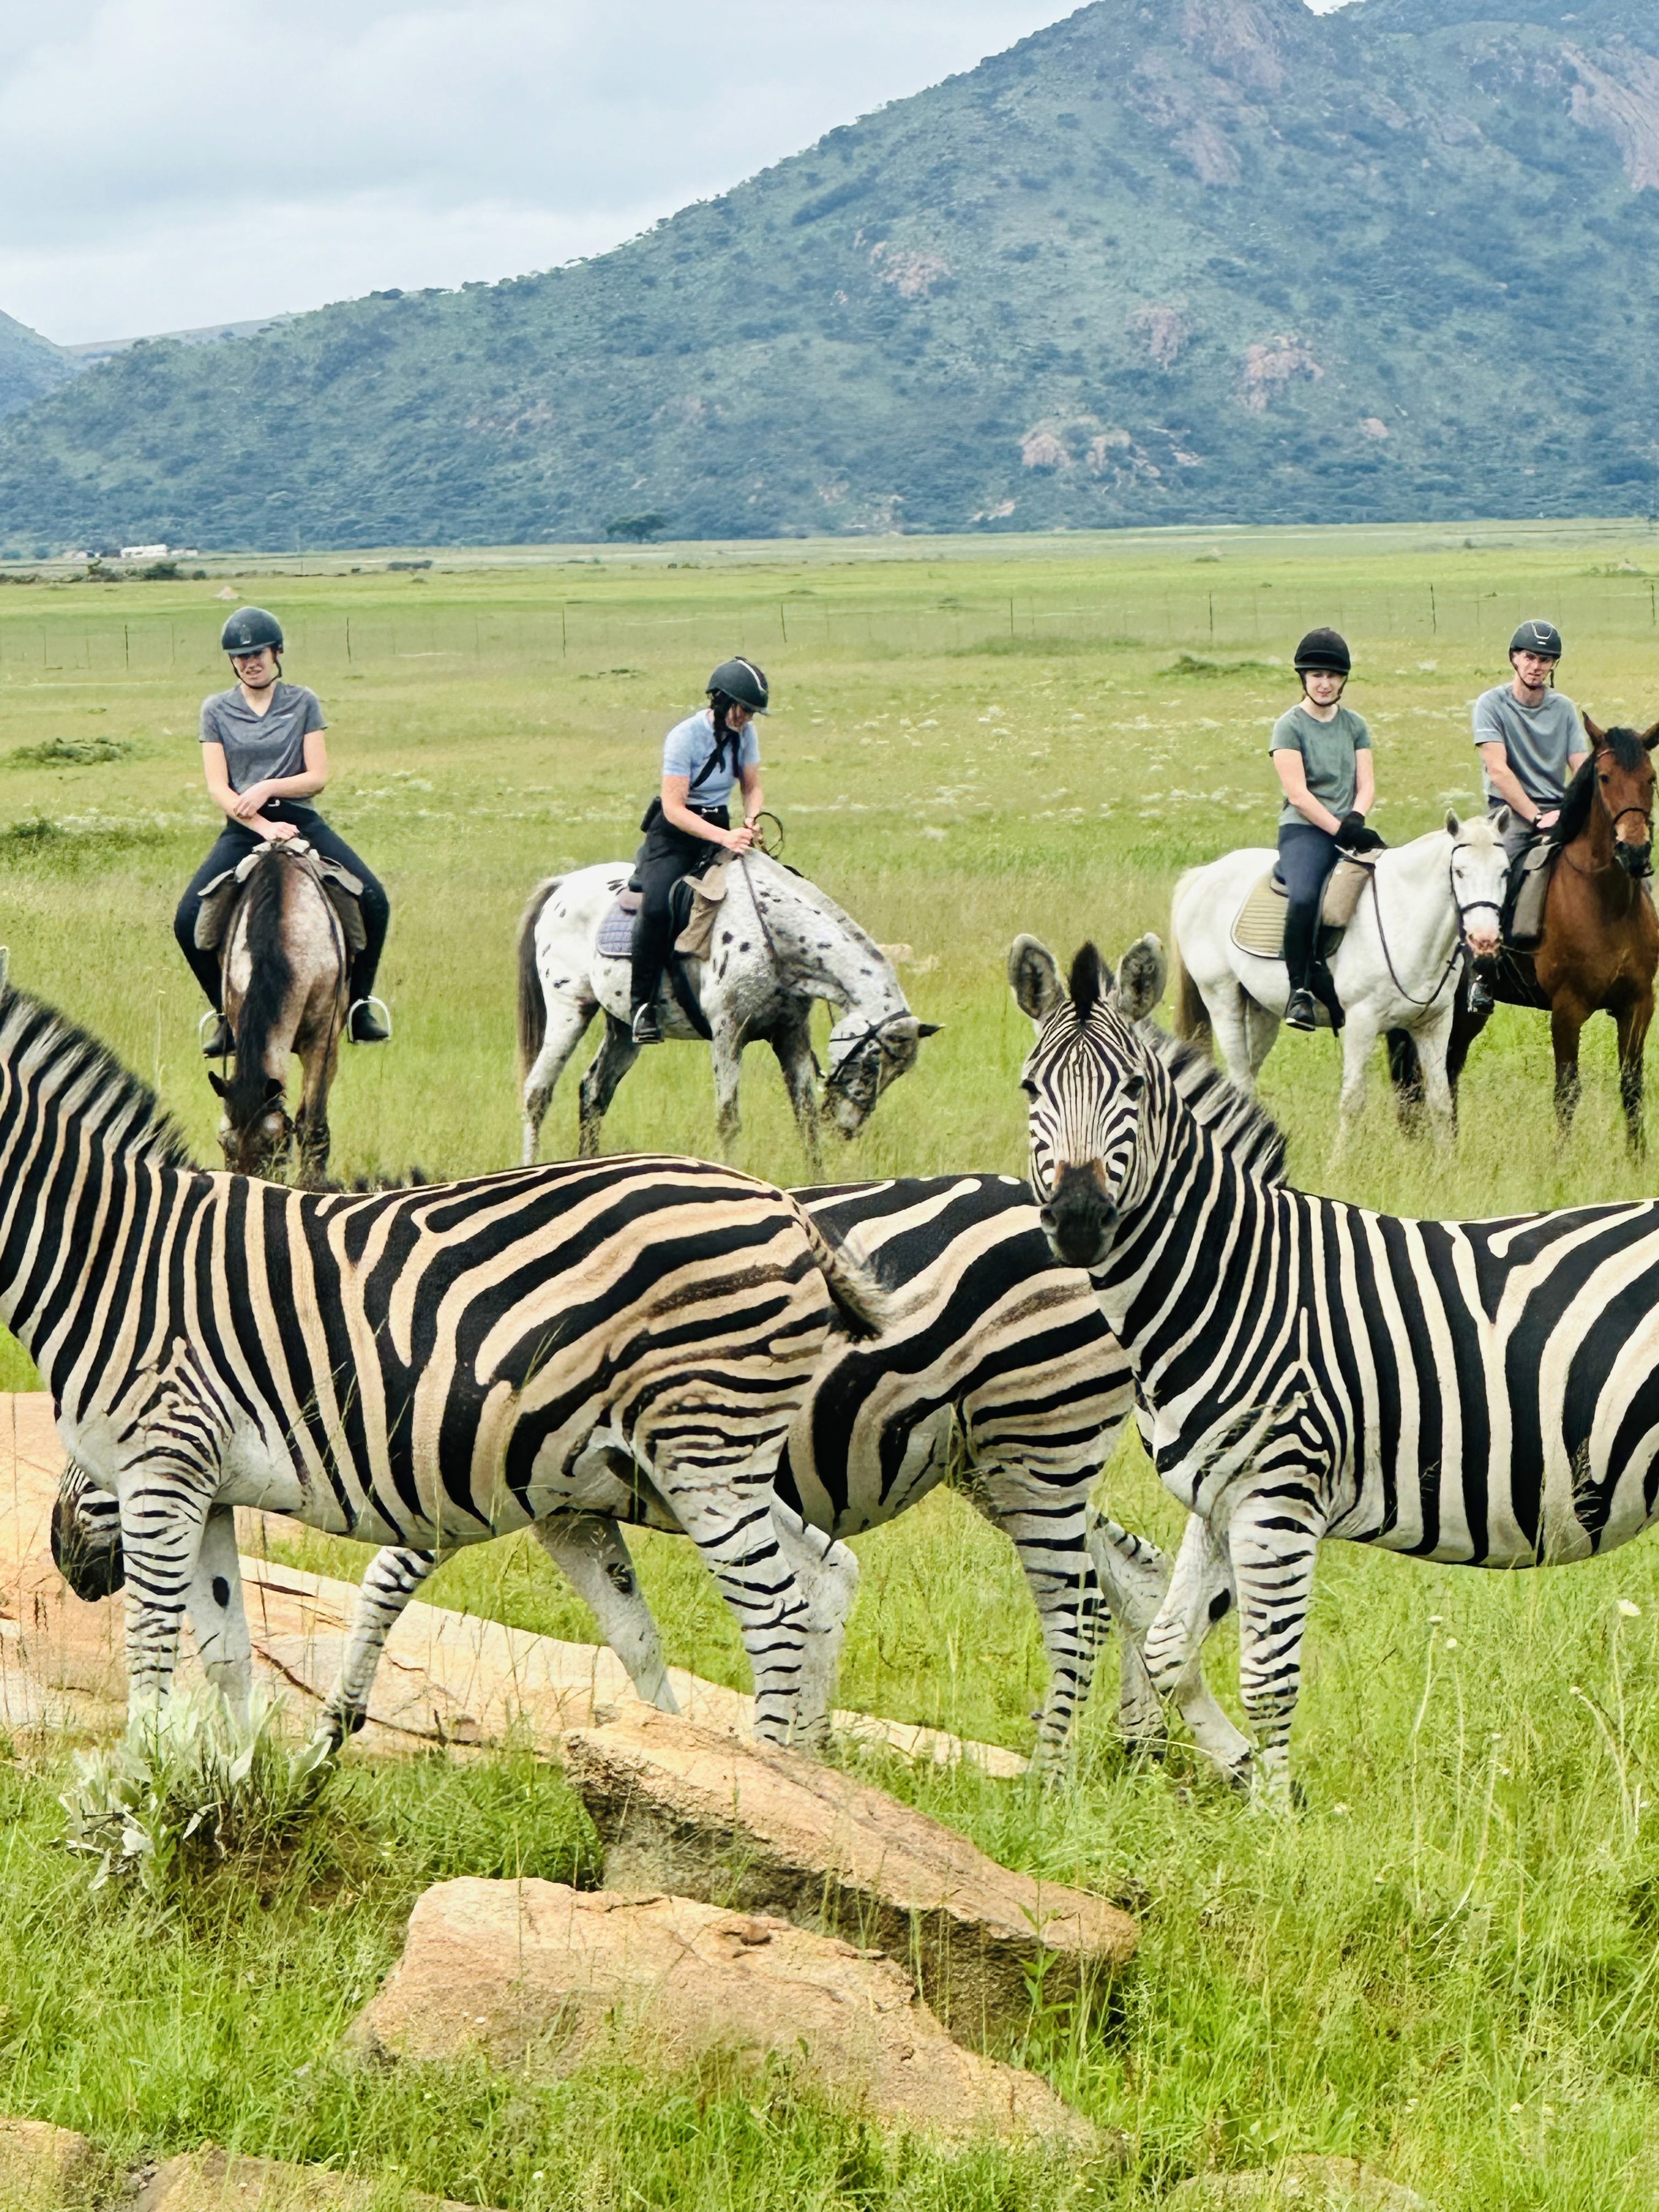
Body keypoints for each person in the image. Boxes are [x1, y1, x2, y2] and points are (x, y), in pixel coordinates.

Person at [174, 607, 391, 1054]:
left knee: (374, 899)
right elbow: (218, 787)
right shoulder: (216, 709)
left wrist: (268, 787)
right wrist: (262, 825)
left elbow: (317, 776)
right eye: (241, 656)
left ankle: (359, 1005)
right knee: (186, 919)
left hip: (300, 819)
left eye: (258, 653)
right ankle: (224, 1016)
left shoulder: (303, 702)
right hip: (244, 827)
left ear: (276, 653)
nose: (250, 662)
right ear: (232, 662)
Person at [629, 657, 768, 1043]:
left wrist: (751, 820)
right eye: (743, 709)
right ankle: (642, 1006)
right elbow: (674, 809)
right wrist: (725, 838)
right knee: (658, 906)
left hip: (719, 827)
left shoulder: (746, 735)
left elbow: (752, 787)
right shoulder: (684, 737)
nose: (747, 719)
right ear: (721, 702)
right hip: (674, 834)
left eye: (752, 713)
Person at [1270, 628, 1383, 1034]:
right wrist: (1341, 830)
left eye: (1333, 676)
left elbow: (1367, 784)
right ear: (1303, 677)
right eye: (1316, 675)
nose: (1324, 683)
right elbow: (1298, 795)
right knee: (1304, 897)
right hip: (1305, 830)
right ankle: (1299, 989)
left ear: (1343, 680)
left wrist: (1357, 818)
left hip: (1347, 826)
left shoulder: (1355, 725)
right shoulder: (1288, 726)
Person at [1472, 619, 1587, 868]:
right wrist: (1537, 818)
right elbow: (1498, 771)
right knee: (1498, 869)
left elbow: (1582, 768)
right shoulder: (1490, 705)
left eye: (1545, 660)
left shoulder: (1564, 708)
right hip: (1510, 811)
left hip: (1558, 808)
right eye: (1529, 657)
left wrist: (1571, 810)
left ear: (1553, 664)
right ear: (1514, 658)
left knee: (1614, 857)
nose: (1536, 666)